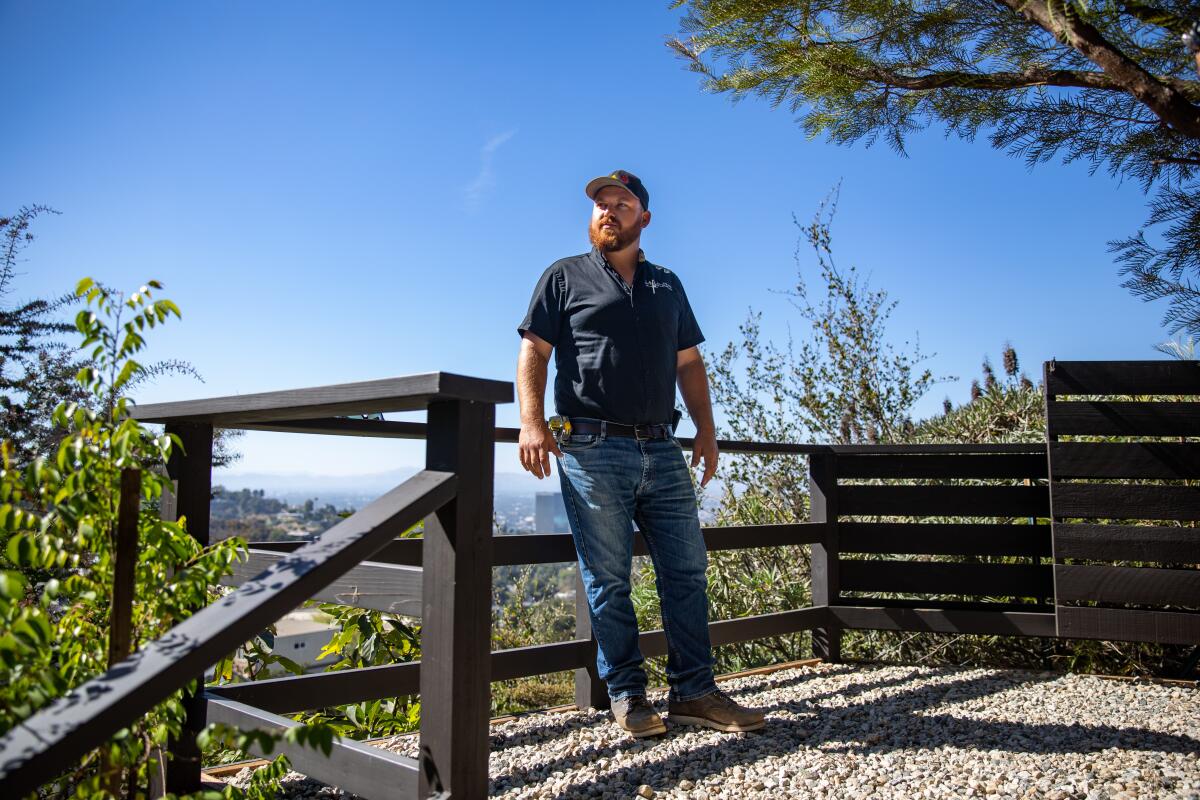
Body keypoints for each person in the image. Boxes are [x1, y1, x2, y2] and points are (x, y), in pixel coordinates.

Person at [516, 169, 764, 738]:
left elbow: (689, 364)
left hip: (662, 444)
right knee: (608, 578)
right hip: (591, 447)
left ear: (643, 217)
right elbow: (534, 353)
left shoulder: (666, 284)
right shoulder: (563, 277)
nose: (608, 211)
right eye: (601, 204)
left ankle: (694, 693)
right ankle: (628, 696)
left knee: (687, 570)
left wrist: (706, 429)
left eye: (621, 203)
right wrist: (531, 422)